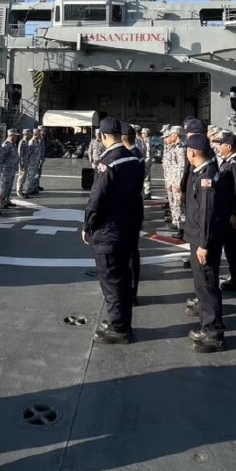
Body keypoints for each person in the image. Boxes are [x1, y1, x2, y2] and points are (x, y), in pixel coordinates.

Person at [83, 117, 146, 344]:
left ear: (103, 137)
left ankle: (119, 328)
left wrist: (87, 224)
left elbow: (97, 197)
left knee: (111, 278)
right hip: (128, 223)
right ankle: (120, 322)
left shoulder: (108, 162)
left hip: (108, 228)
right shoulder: (134, 157)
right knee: (122, 275)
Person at [183, 133, 228, 353]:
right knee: (202, 285)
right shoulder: (200, 171)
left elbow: (207, 213)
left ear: (191, 152)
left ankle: (214, 334)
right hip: (199, 237)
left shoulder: (206, 176)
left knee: (207, 285)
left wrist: (203, 243)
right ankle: (206, 325)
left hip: (204, 240)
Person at [215, 131, 236, 292]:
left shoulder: (234, 163)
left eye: (221, 144)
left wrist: (235, 213)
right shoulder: (228, 161)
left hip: (232, 214)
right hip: (227, 213)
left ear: (228, 146)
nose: (219, 146)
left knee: (234, 248)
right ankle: (235, 277)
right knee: (230, 248)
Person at [118, 123, 147, 305]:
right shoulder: (139, 154)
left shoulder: (128, 157)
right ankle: (132, 291)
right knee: (132, 252)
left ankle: (129, 293)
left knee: (127, 253)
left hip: (127, 209)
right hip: (136, 206)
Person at [162, 126, 187, 236]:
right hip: (171, 179)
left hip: (177, 180)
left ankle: (182, 227)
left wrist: (179, 183)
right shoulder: (172, 147)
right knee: (174, 203)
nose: (169, 136)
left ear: (176, 135)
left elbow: (181, 167)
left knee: (179, 205)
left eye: (171, 134)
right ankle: (176, 222)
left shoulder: (181, 148)